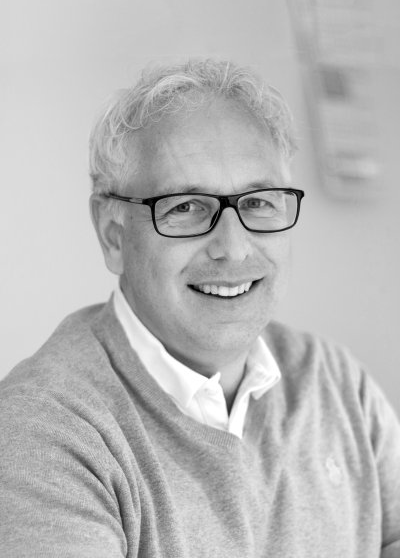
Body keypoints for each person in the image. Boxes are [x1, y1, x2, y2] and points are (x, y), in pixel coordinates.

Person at [0, 59, 399, 558]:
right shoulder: (44, 431)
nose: (233, 248)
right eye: (186, 207)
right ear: (113, 234)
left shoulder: (336, 384)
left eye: (258, 202)